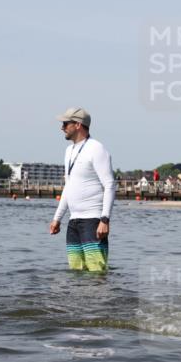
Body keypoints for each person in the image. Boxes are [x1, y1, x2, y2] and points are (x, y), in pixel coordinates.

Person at [49, 107, 115, 272]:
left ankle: (101, 299)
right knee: (75, 272)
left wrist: (104, 220)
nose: (62, 127)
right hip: (74, 222)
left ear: (78, 125)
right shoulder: (68, 151)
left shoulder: (96, 148)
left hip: (93, 221)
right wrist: (57, 218)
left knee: (96, 272)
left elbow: (110, 185)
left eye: (65, 123)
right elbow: (69, 187)